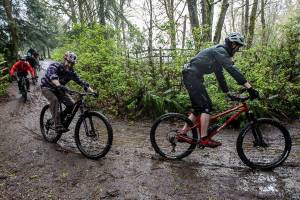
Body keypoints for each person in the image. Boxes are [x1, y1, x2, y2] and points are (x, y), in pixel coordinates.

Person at [181, 32, 260, 148]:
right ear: (233, 44)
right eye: (238, 46)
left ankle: (182, 133)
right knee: (206, 106)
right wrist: (249, 88)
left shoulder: (219, 55)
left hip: (193, 76)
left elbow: (220, 76)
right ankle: (204, 138)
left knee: (199, 108)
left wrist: (227, 92)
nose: (237, 50)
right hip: (191, 76)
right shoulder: (220, 50)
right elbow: (232, 69)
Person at [41, 51, 94, 133]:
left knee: (72, 105)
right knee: (54, 100)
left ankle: (60, 118)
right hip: (47, 87)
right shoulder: (55, 66)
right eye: (68, 62)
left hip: (59, 89)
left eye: (72, 64)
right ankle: (57, 125)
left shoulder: (71, 72)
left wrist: (92, 92)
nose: (69, 65)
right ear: (64, 59)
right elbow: (53, 77)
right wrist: (59, 85)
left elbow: (81, 82)